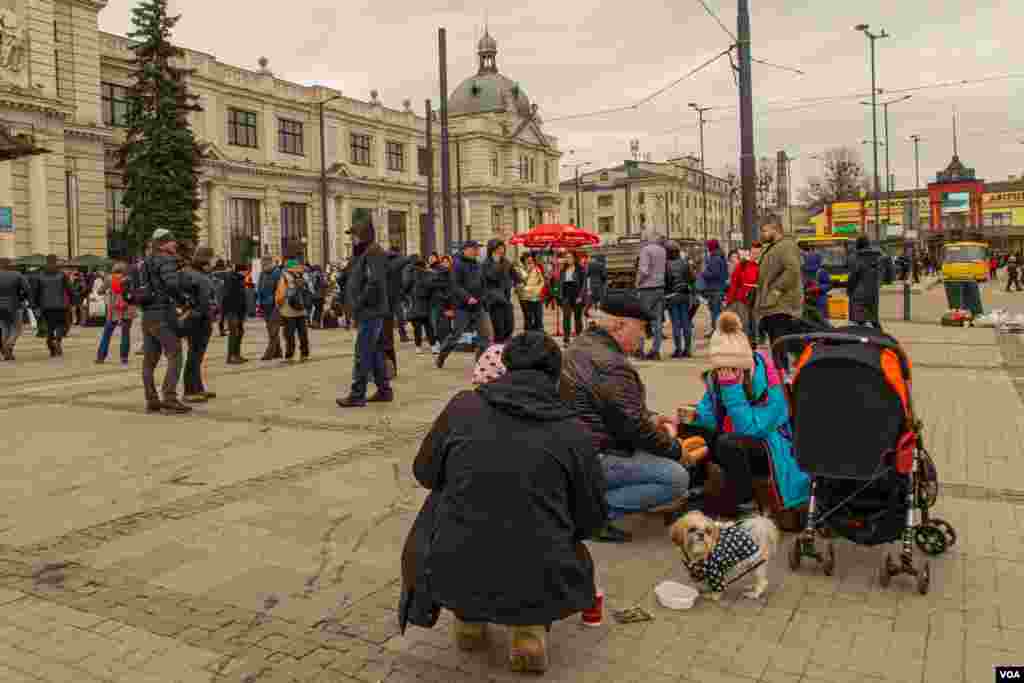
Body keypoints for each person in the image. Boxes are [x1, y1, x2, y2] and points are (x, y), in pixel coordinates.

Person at [403, 332, 607, 673]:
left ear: (506, 366)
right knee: (543, 539)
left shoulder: (462, 406)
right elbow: (592, 518)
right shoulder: (573, 430)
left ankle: (470, 620)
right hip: (541, 574)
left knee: (450, 507)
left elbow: (424, 473)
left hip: (455, 562)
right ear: (556, 376)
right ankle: (527, 631)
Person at [560, 290, 693, 543]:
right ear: (620, 325)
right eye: (641, 329)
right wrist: (676, 450)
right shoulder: (611, 363)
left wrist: (653, 418)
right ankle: (593, 514)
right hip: (595, 455)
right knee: (676, 477)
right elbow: (632, 426)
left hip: (577, 451)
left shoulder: (583, 343)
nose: (643, 336)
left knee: (658, 453)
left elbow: (616, 410)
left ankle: (585, 503)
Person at [680, 311, 809, 516]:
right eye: (721, 368)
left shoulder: (770, 380)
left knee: (727, 442)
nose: (727, 373)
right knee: (693, 433)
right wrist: (693, 420)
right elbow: (710, 418)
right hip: (734, 442)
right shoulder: (718, 375)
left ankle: (743, 500)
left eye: (733, 368)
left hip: (770, 446)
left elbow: (752, 429)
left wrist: (732, 390)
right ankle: (694, 490)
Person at [337, 222, 392, 407]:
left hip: (371, 310)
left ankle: (357, 394)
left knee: (362, 352)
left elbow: (374, 282)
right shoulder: (363, 254)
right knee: (374, 352)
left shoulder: (374, 252)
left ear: (364, 235)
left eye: (354, 236)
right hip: (368, 310)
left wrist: (359, 302)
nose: (352, 239)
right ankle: (384, 390)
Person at [137, 229, 190, 413]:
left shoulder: (145, 262)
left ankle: (151, 399)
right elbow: (172, 284)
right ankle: (169, 397)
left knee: (150, 360)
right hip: (162, 313)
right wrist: (183, 301)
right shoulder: (165, 259)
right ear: (163, 244)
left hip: (147, 315)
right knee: (175, 352)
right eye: (171, 241)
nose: (174, 244)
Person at [436, 241, 493, 368]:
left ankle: (479, 361)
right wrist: (467, 298)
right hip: (462, 307)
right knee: (456, 335)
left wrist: (484, 297)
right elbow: (455, 285)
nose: (478, 251)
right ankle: (442, 355)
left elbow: (483, 284)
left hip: (478, 306)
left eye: (478, 249)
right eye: (475, 249)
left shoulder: (478, 265)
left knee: (486, 336)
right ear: (467, 250)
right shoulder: (457, 264)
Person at [754, 216, 803, 364]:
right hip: (773, 306)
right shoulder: (775, 247)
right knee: (777, 348)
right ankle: (781, 378)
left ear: (774, 228)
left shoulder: (786, 245)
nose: (761, 234)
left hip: (780, 307)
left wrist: (776, 290)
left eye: (764, 230)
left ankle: (782, 380)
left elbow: (792, 270)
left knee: (779, 349)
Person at [182, 248, 218, 403]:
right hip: (199, 320)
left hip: (197, 318)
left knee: (196, 356)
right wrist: (211, 309)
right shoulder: (198, 277)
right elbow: (204, 300)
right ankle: (190, 390)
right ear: (204, 261)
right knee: (194, 356)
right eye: (211, 260)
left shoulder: (196, 274)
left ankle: (197, 388)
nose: (213, 264)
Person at [95, 262, 136, 365]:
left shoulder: (109, 278)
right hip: (127, 310)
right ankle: (124, 358)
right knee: (125, 334)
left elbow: (100, 291)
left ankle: (101, 357)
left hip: (113, 311)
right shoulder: (130, 279)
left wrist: (108, 292)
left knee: (107, 334)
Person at [635, 230, 667, 360]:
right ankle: (655, 350)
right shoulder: (662, 250)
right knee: (657, 321)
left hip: (647, 289)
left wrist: (637, 282)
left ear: (647, 239)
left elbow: (644, 270)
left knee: (642, 320)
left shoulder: (645, 250)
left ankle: (640, 349)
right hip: (660, 288)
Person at [33, 255, 73, 357]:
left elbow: (36, 292)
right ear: (56, 261)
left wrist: (35, 305)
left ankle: (52, 345)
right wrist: (73, 301)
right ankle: (58, 341)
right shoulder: (62, 275)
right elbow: (69, 289)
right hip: (61, 305)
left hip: (45, 306)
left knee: (50, 327)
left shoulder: (40, 275)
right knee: (61, 325)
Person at [482, 239, 518, 343]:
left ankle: (504, 345)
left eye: (502, 248)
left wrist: (518, 283)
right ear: (492, 250)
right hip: (494, 300)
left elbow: (515, 275)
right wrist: (497, 264)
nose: (501, 251)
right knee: (499, 329)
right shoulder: (486, 264)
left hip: (506, 298)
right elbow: (491, 276)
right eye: (498, 249)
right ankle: (498, 348)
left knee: (509, 326)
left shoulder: (506, 261)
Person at [275, 258, 311, 362]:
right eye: (297, 266)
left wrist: (279, 305)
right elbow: (309, 290)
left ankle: (289, 355)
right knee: (303, 334)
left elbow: (280, 294)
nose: (299, 267)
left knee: (289, 335)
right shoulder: (303, 276)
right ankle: (304, 354)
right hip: (301, 309)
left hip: (288, 310)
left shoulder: (284, 277)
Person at [664, 241, 695, 358]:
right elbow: (692, 278)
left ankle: (678, 349)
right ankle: (687, 349)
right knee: (686, 323)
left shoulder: (665, 265)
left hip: (672, 296)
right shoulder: (685, 263)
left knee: (676, 324)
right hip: (684, 296)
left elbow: (665, 281)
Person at [846, 235, 884, 330]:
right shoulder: (879, 256)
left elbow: (853, 276)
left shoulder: (855, 257)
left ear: (858, 244)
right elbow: (884, 273)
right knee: (874, 320)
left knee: (859, 322)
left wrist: (849, 290)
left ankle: (863, 341)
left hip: (858, 293)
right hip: (873, 293)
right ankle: (880, 338)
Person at [725, 242, 761, 342]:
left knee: (755, 324)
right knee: (744, 325)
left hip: (757, 300)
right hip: (742, 300)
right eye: (753, 253)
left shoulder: (762, 266)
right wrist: (730, 300)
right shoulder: (743, 265)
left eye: (758, 253)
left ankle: (753, 343)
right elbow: (734, 283)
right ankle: (744, 344)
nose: (755, 255)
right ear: (750, 253)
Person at [0, 258, 30, 361]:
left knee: (5, 328)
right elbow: (27, 289)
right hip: (14, 305)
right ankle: (9, 345)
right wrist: (22, 298)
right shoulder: (17, 275)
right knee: (17, 328)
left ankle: (5, 350)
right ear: (10, 264)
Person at [256, 256, 284, 360]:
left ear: (270, 263)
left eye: (265, 264)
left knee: (273, 329)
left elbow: (280, 289)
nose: (263, 266)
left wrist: (277, 302)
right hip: (264, 305)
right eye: (262, 264)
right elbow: (259, 287)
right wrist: (258, 301)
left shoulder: (277, 273)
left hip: (275, 305)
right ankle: (278, 351)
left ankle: (269, 353)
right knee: (270, 329)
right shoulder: (262, 273)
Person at [407, 256, 435, 354]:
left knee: (417, 328)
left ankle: (418, 346)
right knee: (428, 327)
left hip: (415, 305)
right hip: (426, 305)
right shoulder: (430, 275)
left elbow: (406, 288)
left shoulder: (411, 275)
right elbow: (432, 290)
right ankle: (433, 346)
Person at [700, 239, 729, 338]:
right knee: (717, 310)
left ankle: (716, 330)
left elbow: (714, 273)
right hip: (719, 287)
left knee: (715, 311)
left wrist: (703, 273)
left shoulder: (715, 258)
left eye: (708, 246)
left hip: (714, 288)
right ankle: (718, 329)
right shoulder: (720, 256)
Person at [221, 264, 249, 364]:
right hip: (233, 311)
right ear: (241, 271)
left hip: (239, 312)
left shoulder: (240, 279)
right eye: (246, 271)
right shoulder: (232, 280)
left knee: (239, 332)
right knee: (234, 333)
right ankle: (231, 356)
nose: (247, 273)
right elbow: (228, 297)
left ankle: (237, 354)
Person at [557, 251, 585, 347]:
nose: (568, 259)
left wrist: (580, 296)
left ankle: (579, 338)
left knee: (577, 318)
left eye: (570, 257)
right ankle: (566, 339)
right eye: (567, 257)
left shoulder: (580, 269)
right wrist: (560, 294)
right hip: (566, 294)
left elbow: (583, 284)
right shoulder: (563, 269)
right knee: (566, 317)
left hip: (576, 294)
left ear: (574, 258)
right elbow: (560, 282)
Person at [516, 253, 545, 332]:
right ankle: (528, 335)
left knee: (538, 317)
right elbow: (518, 284)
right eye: (528, 260)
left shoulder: (536, 269)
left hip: (536, 297)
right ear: (524, 261)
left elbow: (542, 281)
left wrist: (538, 290)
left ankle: (538, 334)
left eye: (531, 260)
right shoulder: (519, 270)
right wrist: (528, 272)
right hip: (524, 298)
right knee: (528, 317)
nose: (530, 261)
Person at [801, 251, 832, 325]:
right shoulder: (803, 271)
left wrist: (818, 288)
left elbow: (828, 284)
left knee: (822, 321)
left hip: (820, 300)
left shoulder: (821, 272)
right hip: (807, 301)